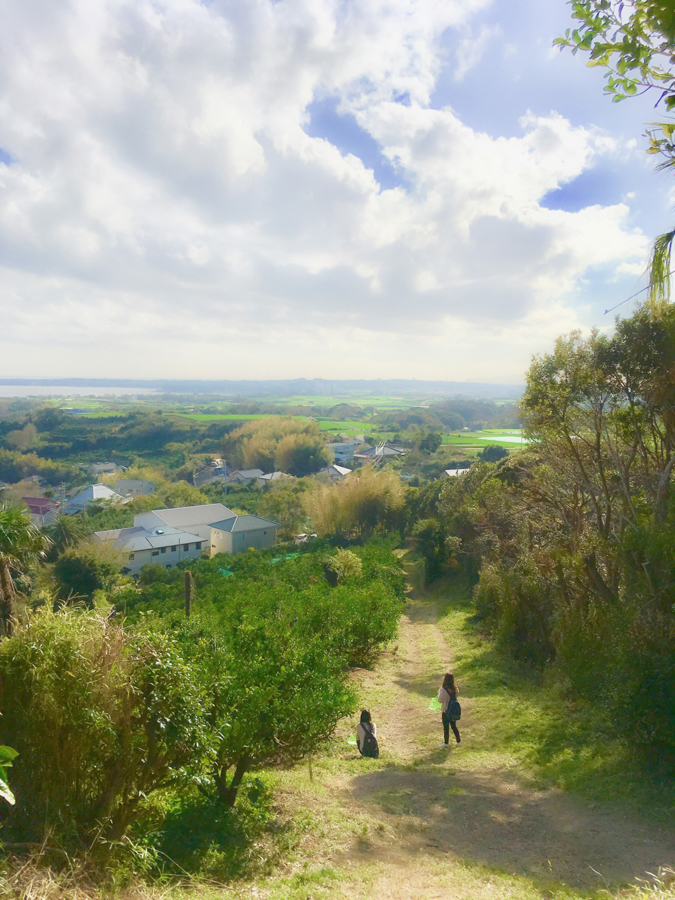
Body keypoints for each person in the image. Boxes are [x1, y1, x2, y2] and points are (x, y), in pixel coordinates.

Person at [438, 672, 460, 746]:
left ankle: (446, 742)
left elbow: (440, 700)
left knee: (446, 727)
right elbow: (456, 695)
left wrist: (439, 693)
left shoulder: (444, 690)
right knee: (454, 726)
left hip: (446, 710)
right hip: (453, 710)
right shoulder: (455, 689)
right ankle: (458, 741)